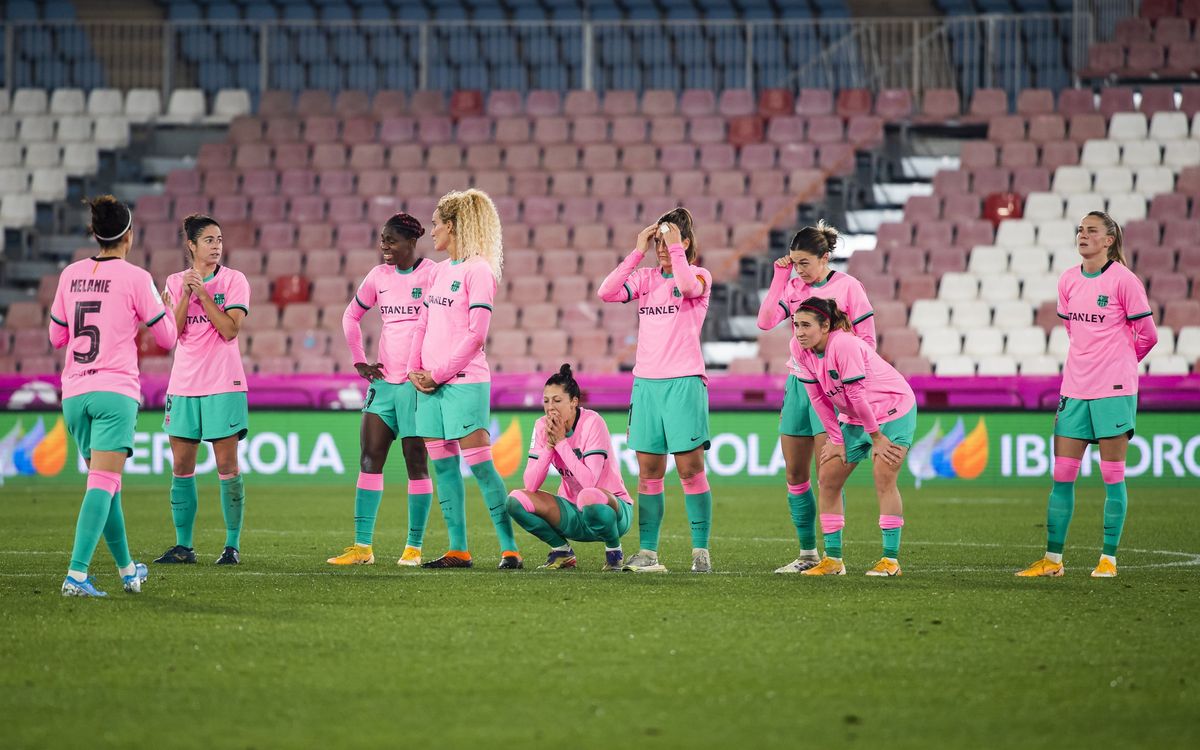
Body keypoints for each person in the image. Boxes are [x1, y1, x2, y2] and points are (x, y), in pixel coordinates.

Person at [1017, 211, 1157, 579]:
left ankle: (1108, 560)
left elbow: (1149, 335)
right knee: (1062, 475)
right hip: (1074, 390)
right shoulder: (1068, 280)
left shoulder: (1124, 281)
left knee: (1113, 476)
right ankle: (1052, 561)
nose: (1083, 235)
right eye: (1080, 230)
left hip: (1114, 390)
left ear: (1109, 240)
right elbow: (1075, 334)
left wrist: (1123, 364)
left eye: (1091, 231)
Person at [51, 196, 177, 596]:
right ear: (128, 235)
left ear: (96, 234)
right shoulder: (137, 278)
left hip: (74, 393)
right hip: (114, 391)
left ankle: (127, 570)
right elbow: (168, 337)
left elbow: (57, 337)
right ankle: (76, 573)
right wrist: (166, 308)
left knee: (107, 485)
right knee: (103, 483)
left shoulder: (69, 274)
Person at [407, 189, 521, 569]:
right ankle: (458, 549)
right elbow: (423, 322)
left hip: (464, 383)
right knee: (442, 467)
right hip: (429, 387)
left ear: (453, 226)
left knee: (482, 466)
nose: (432, 230)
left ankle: (510, 549)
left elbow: (476, 336)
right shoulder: (439, 271)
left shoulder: (480, 271)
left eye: (437, 223)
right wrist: (413, 369)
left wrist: (436, 374)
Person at [596, 207, 714, 573]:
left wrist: (677, 249)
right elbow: (607, 292)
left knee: (690, 470)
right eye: (659, 242)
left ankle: (700, 551)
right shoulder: (646, 278)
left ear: (686, 242)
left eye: (670, 240)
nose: (662, 247)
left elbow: (689, 287)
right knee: (648, 472)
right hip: (646, 384)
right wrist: (636, 251)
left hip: (684, 382)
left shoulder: (697, 275)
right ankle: (648, 553)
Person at [756, 220, 876, 573]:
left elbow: (868, 342)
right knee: (795, 474)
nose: (798, 269)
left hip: (834, 387)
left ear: (825, 258)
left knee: (828, 475)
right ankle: (807, 554)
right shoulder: (792, 286)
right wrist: (780, 277)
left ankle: (832, 556)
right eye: (793, 262)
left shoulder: (850, 288)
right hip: (799, 384)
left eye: (804, 262)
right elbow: (765, 322)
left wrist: (847, 372)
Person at [328, 213, 436, 566]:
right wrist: (359, 359)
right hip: (384, 384)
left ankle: (414, 548)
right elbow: (350, 316)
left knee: (415, 461)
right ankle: (363, 548)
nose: (384, 247)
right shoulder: (378, 276)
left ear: (411, 242)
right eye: (382, 240)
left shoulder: (431, 274)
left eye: (391, 241)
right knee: (369, 459)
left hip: (416, 385)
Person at [788, 296, 915, 577]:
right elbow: (817, 398)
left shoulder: (843, 344)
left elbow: (856, 394)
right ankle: (833, 560)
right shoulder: (798, 348)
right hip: (858, 415)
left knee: (884, 478)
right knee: (828, 478)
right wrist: (835, 439)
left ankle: (890, 561)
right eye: (796, 325)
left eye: (806, 325)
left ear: (826, 325)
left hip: (892, 410)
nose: (799, 331)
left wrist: (878, 438)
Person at [153, 214, 250, 566]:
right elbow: (171, 335)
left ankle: (231, 546)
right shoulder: (174, 281)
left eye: (220, 239)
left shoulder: (234, 281)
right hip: (183, 385)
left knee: (227, 465)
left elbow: (229, 330)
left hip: (224, 384)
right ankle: (183, 547)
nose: (217, 246)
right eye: (209, 240)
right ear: (191, 245)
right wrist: (183, 295)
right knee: (181, 466)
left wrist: (204, 294)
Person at [506, 364, 632, 571]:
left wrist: (562, 443)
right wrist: (549, 445)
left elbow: (590, 482)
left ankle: (614, 550)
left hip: (612, 512)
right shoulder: (541, 426)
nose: (550, 407)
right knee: (515, 501)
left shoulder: (592, 422)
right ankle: (562, 551)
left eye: (557, 400)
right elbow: (531, 483)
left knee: (588, 496)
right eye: (546, 401)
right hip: (573, 514)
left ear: (574, 402)